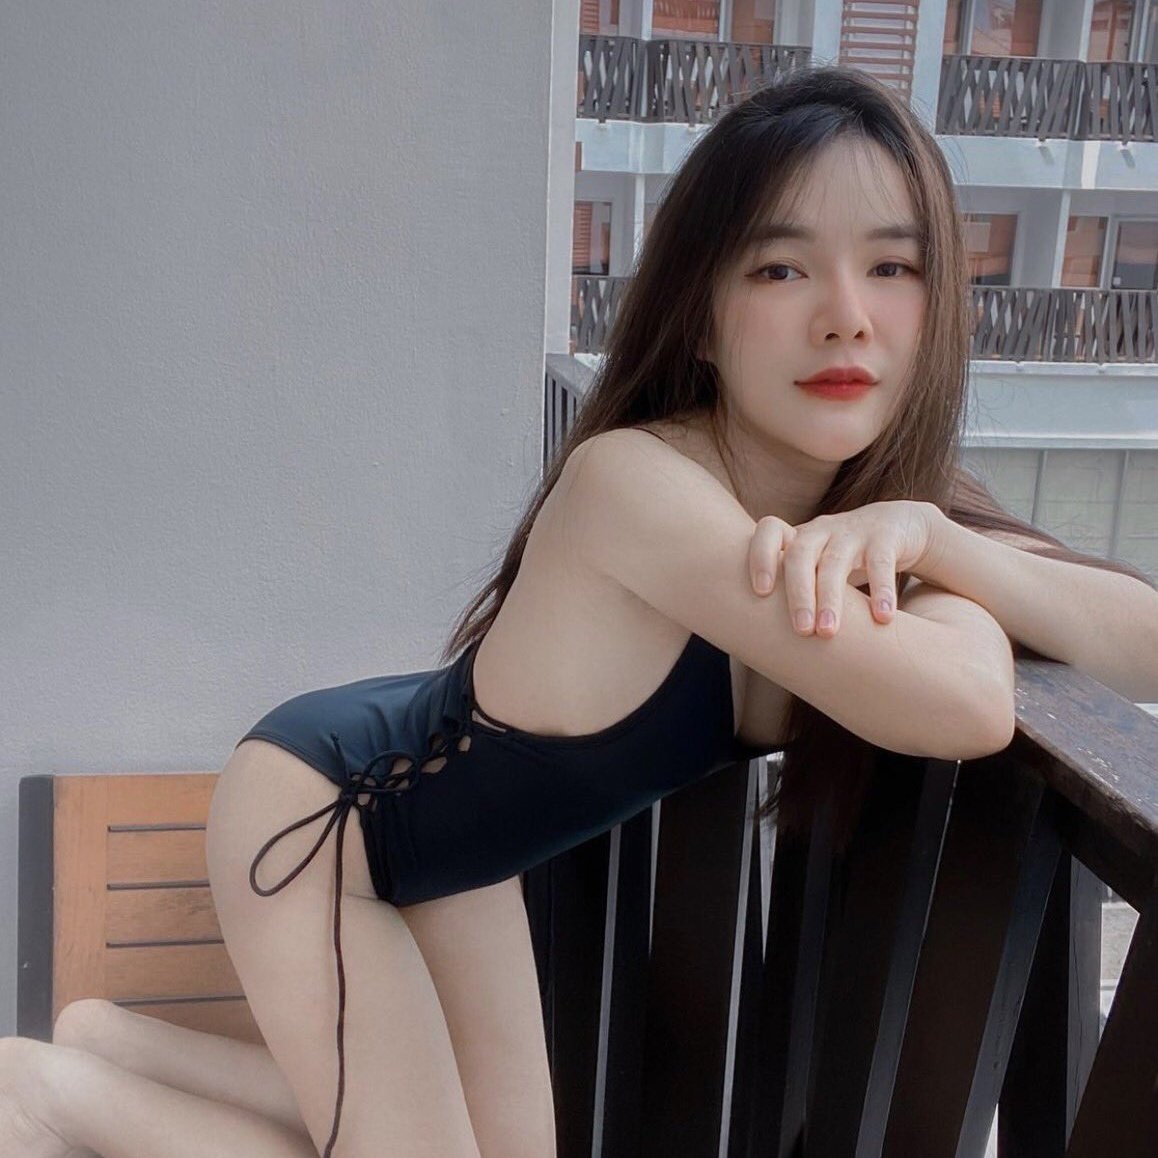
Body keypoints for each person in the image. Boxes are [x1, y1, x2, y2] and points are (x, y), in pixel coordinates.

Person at [4, 63, 1156, 1158]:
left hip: (463, 850)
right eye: (780, 269)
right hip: (327, 824)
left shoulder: (878, 512)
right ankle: (42, 1091)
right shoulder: (637, 488)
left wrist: (939, 539)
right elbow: (961, 704)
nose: (846, 317)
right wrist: (949, 570)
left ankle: (111, 1042)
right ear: (700, 316)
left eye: (893, 266)